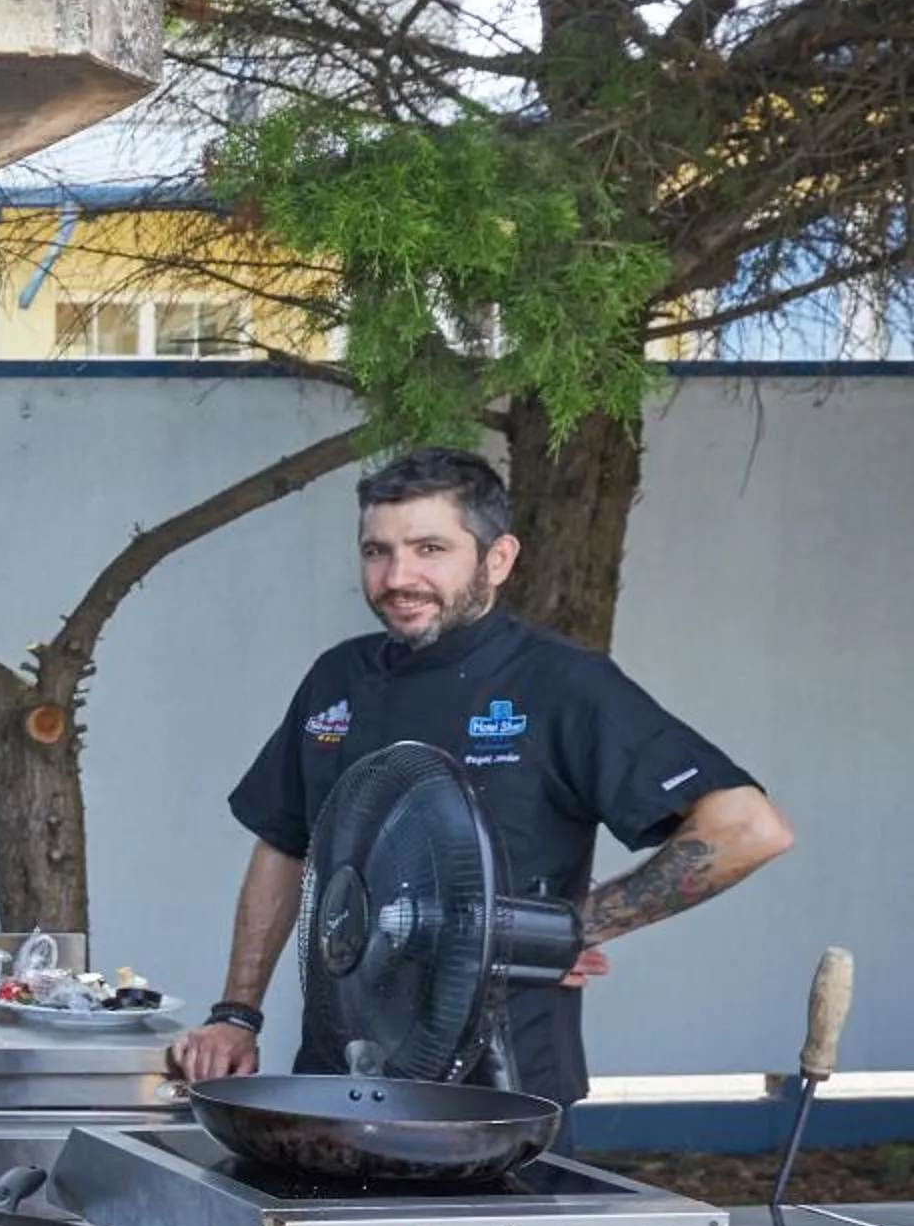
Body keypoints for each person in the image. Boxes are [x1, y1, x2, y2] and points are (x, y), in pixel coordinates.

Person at [166, 447, 792, 1105]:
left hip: (499, 1100)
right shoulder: (338, 678)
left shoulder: (561, 683)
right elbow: (283, 842)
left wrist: (571, 928)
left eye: (430, 548)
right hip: (333, 1086)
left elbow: (749, 829)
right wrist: (237, 1015)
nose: (397, 577)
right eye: (376, 551)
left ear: (498, 558)